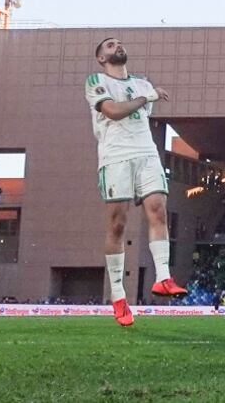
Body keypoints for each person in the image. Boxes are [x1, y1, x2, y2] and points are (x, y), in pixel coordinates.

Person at [84, 38, 187, 328]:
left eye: (118, 43)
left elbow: (139, 118)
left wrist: (146, 95)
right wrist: (146, 98)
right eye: (109, 45)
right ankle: (118, 297)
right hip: (116, 155)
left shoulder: (142, 82)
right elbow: (113, 112)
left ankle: (163, 277)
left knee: (158, 209)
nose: (116, 46)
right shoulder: (96, 80)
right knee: (118, 223)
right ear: (101, 58)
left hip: (146, 152)